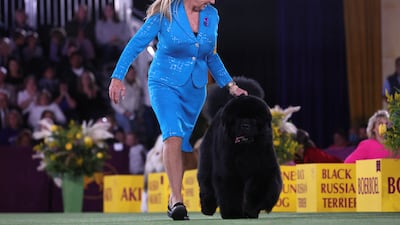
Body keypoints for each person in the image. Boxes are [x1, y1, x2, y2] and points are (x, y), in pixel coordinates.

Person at [108, 0, 247, 220]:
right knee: (172, 135)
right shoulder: (165, 13)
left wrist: (231, 85)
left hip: (194, 90)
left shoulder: (212, 14)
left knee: (180, 142)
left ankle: (174, 198)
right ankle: (177, 199)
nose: (212, 1)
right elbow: (136, 43)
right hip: (164, 83)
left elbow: (210, 55)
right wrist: (118, 76)